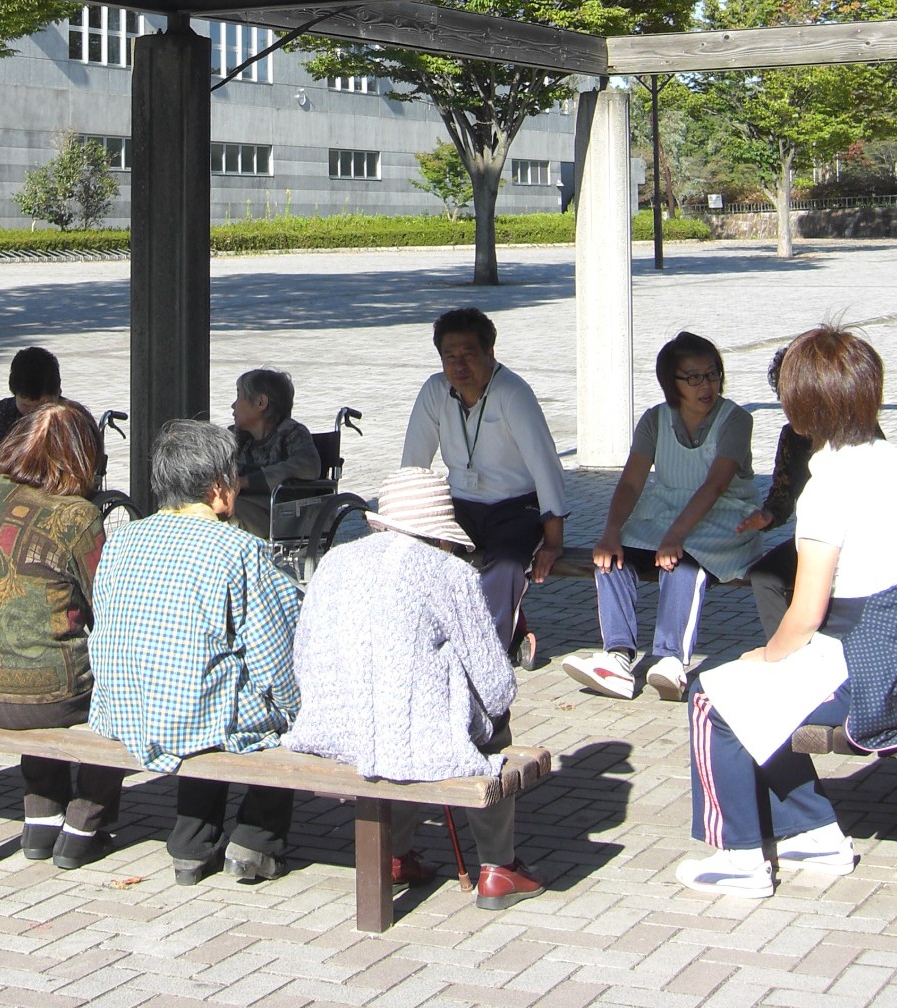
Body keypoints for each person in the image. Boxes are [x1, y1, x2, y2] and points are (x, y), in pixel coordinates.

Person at [678, 324, 897, 898]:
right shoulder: (886, 455)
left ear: (803, 402)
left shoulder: (828, 483)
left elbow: (807, 612)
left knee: (714, 697)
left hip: (871, 667)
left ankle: (737, 856)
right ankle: (809, 832)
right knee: (760, 693)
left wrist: (766, 654)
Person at [286, 467, 549, 910]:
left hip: (327, 729)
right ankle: (499, 867)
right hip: (402, 736)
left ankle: (396, 852)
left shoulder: (334, 562)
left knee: (403, 717)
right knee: (485, 723)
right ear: (440, 532)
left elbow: (303, 655)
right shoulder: (450, 572)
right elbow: (496, 685)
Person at [89, 420, 301, 886]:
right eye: (235, 475)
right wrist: (299, 711)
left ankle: (191, 842)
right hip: (189, 713)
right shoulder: (240, 549)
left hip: (124, 709)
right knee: (271, 706)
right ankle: (255, 842)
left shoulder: (121, 539)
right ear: (219, 488)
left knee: (205, 677)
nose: (240, 483)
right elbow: (275, 659)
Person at [0, 401, 126, 870]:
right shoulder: (76, 516)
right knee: (114, 683)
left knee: (24, 645)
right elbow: (108, 607)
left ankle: (41, 817)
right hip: (42, 697)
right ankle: (84, 823)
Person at [562, 331, 763, 702]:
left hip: (725, 516)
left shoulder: (735, 419)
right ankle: (618, 657)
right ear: (672, 383)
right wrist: (610, 531)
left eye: (712, 374)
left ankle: (671, 659)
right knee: (612, 558)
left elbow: (716, 485)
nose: (706, 385)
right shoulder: (655, 420)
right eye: (693, 377)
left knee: (683, 563)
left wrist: (676, 537)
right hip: (664, 512)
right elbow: (631, 482)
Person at [401, 307, 567, 656]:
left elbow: (545, 465)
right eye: (450, 357)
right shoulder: (434, 391)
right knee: (427, 557)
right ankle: (428, 644)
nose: (459, 366)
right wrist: (407, 524)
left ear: (490, 353)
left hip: (515, 505)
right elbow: (413, 463)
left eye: (469, 355)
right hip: (460, 504)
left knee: (506, 564)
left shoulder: (513, 392)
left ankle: (484, 652)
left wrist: (553, 541)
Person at [738, 348, 816, 638]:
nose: (788, 406)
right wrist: (766, 516)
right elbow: (783, 494)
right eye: (783, 396)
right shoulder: (791, 436)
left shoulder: (855, 432)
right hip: (810, 541)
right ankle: (785, 653)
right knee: (764, 575)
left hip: (852, 544)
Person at [229, 368, 321, 538]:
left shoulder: (291, 433)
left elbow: (309, 466)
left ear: (261, 403)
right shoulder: (237, 437)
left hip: (280, 515)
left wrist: (246, 482)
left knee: (226, 513)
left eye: (239, 396)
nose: (233, 405)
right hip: (245, 505)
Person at [0, 347, 62, 463]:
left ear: (58, 393)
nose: (33, 412)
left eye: (41, 406)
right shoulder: (4, 411)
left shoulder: (72, 416)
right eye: (25, 405)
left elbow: (96, 464)